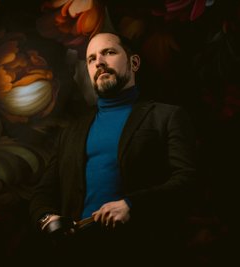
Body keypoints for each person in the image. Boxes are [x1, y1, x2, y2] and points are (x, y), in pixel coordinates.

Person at [29, 32, 197, 267]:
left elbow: (188, 181)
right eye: (91, 59)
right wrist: (48, 219)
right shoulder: (71, 132)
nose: (99, 62)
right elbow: (42, 193)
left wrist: (132, 205)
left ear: (134, 63)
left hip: (142, 251)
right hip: (77, 253)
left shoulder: (166, 117)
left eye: (109, 52)